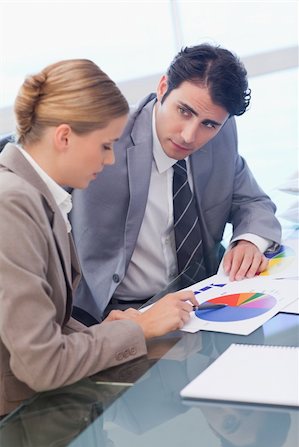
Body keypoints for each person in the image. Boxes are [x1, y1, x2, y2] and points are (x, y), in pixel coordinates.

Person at [0, 59, 198, 418]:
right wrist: (136, 331)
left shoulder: (37, 194)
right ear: (64, 137)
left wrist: (110, 331)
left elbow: (49, 324)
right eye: (106, 145)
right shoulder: (10, 202)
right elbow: (41, 364)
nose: (110, 160)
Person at [70, 43, 281, 324]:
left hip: (203, 299)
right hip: (122, 312)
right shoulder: (106, 140)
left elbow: (253, 201)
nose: (189, 136)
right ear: (162, 88)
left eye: (209, 124)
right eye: (184, 111)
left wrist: (247, 241)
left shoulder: (222, 136)